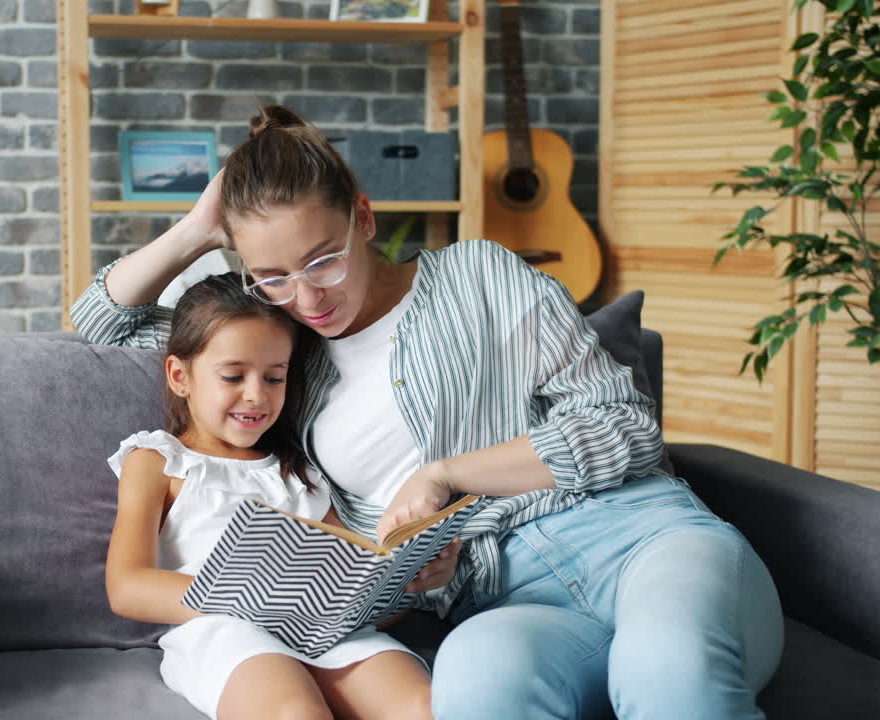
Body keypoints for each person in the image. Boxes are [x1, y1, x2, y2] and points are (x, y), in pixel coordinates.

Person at [78, 104, 784, 720]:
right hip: (503, 601)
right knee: (472, 692)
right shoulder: (284, 356)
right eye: (274, 275)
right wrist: (203, 227)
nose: (307, 297)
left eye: (324, 260)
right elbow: (100, 325)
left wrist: (447, 474)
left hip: (635, 537)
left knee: (664, 672)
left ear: (362, 215)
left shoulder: (478, 275)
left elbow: (624, 425)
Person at [104, 271, 436, 720]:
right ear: (180, 376)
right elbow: (127, 587)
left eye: (274, 378)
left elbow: (346, 593)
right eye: (233, 375)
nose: (256, 395)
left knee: (424, 706)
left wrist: (408, 581)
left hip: (319, 631)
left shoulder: (300, 472)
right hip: (221, 632)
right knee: (296, 712)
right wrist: (259, 597)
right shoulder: (159, 461)